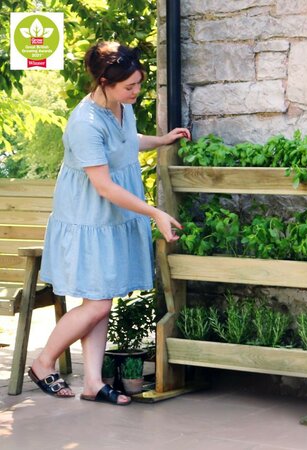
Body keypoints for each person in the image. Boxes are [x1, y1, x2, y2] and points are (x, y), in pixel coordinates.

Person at [28, 41, 190, 405]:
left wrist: (162, 140)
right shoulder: (84, 123)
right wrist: (154, 212)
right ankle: (43, 361)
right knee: (98, 304)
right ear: (104, 81)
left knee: (102, 298)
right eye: (130, 86)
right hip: (89, 218)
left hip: (111, 218)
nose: (137, 91)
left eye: (138, 84)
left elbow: (125, 141)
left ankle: (91, 382)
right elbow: (102, 186)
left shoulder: (120, 105)